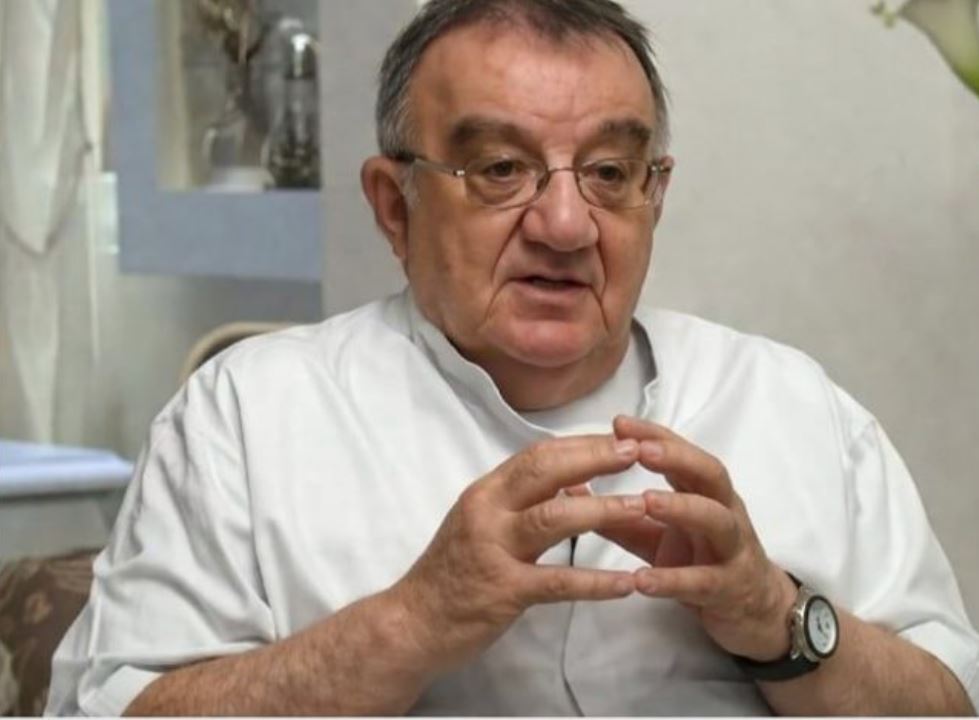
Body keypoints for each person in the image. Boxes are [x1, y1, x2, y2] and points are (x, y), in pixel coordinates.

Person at [47, 0, 978, 715]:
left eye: (608, 173)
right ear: (394, 206)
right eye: (500, 169)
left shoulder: (792, 405)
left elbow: (949, 699)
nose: (566, 225)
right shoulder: (245, 417)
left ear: (653, 196)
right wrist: (412, 621)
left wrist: (777, 619)